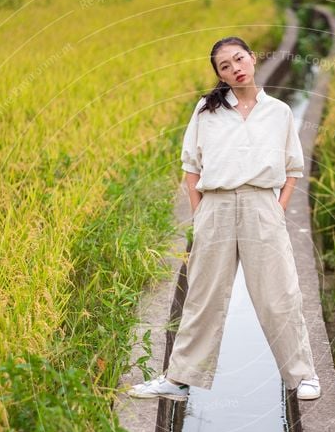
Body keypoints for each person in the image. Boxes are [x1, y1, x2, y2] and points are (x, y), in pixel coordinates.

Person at [128, 36, 320, 402]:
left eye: (239, 59)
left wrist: (276, 209)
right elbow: (191, 167)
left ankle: (303, 375)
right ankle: (178, 379)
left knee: (279, 294)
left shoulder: (278, 111)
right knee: (203, 296)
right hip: (215, 208)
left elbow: (293, 168)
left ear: (252, 57)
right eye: (225, 66)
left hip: (261, 206)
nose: (236, 68)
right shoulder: (206, 110)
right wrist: (201, 214)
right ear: (220, 74)